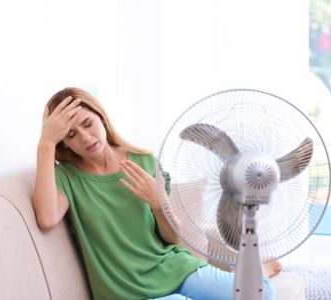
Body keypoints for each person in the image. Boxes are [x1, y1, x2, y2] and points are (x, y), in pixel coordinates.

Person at [32, 87, 278, 300]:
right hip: (127, 292)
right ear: (64, 143)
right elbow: (46, 217)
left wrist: (158, 204)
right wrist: (45, 143)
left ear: (101, 117)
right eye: (71, 135)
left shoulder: (144, 160)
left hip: (173, 268)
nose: (85, 138)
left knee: (261, 291)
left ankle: (249, 274)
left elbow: (172, 238)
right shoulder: (67, 177)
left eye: (87, 123)